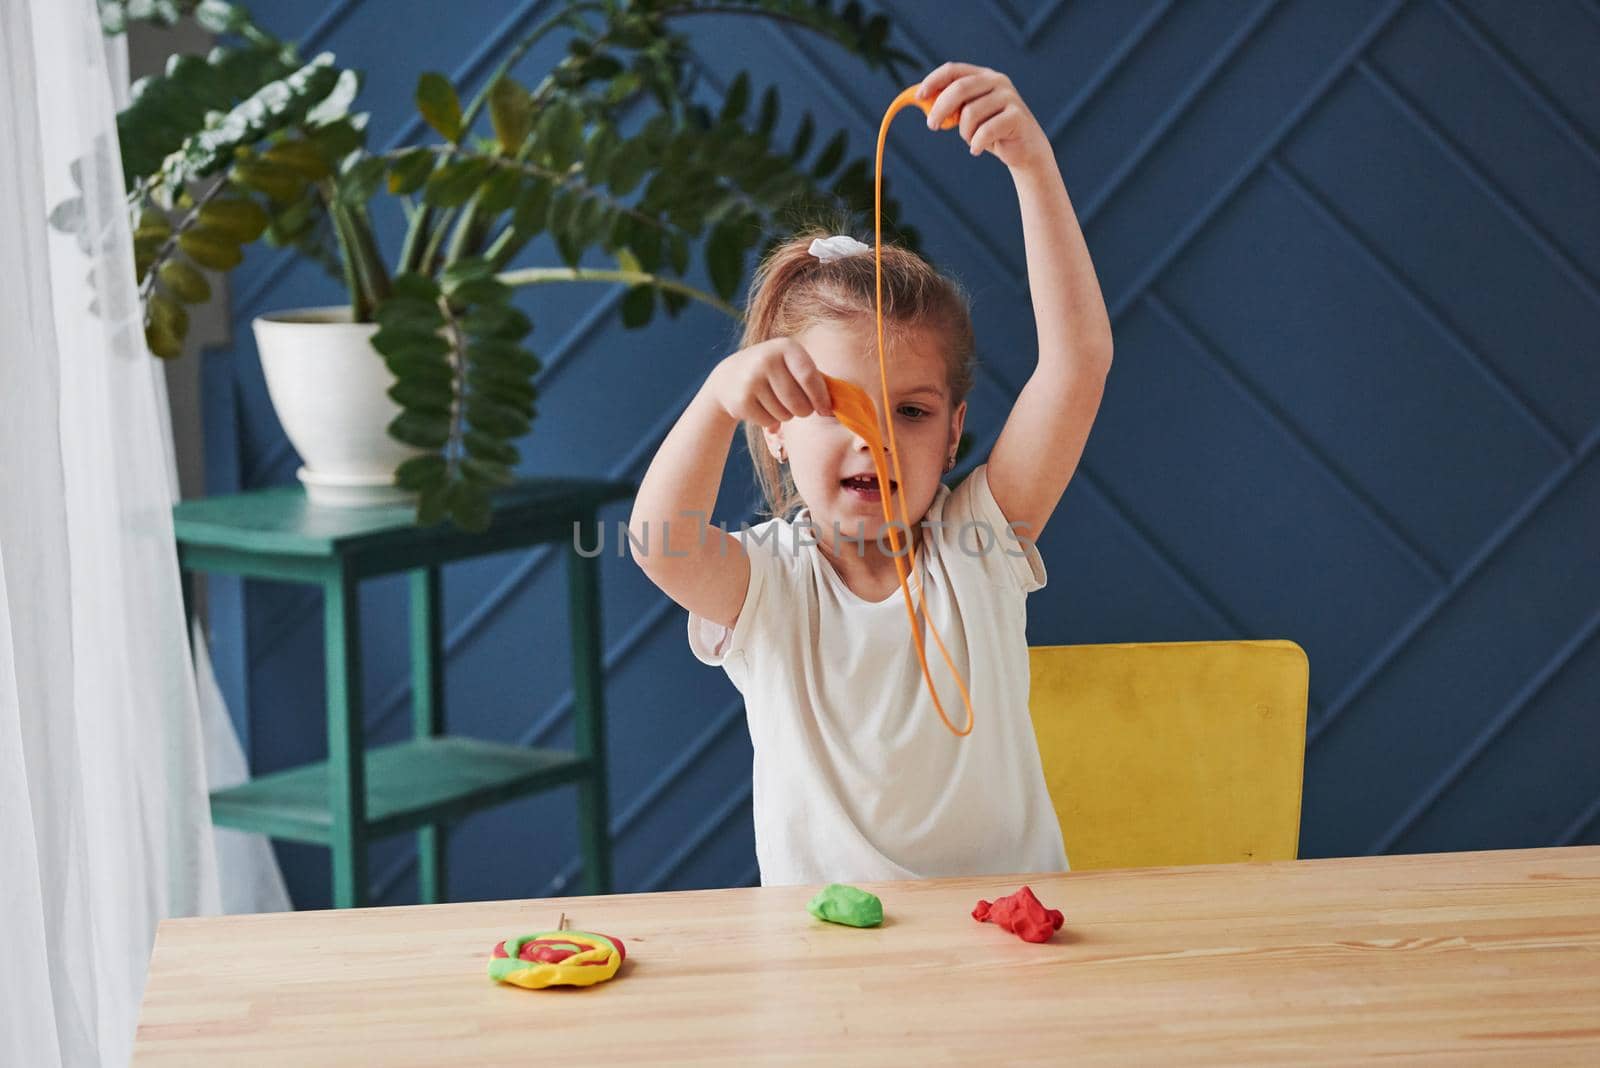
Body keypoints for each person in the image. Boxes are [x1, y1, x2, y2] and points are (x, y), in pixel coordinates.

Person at [629, 63, 1113, 886]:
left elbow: (1078, 363)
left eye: (913, 413)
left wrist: (1032, 165)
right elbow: (658, 545)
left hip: (1009, 950)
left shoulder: (978, 550)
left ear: (955, 432)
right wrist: (716, 399)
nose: (875, 442)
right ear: (775, 429)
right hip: (828, 966)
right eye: (836, 406)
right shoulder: (768, 588)